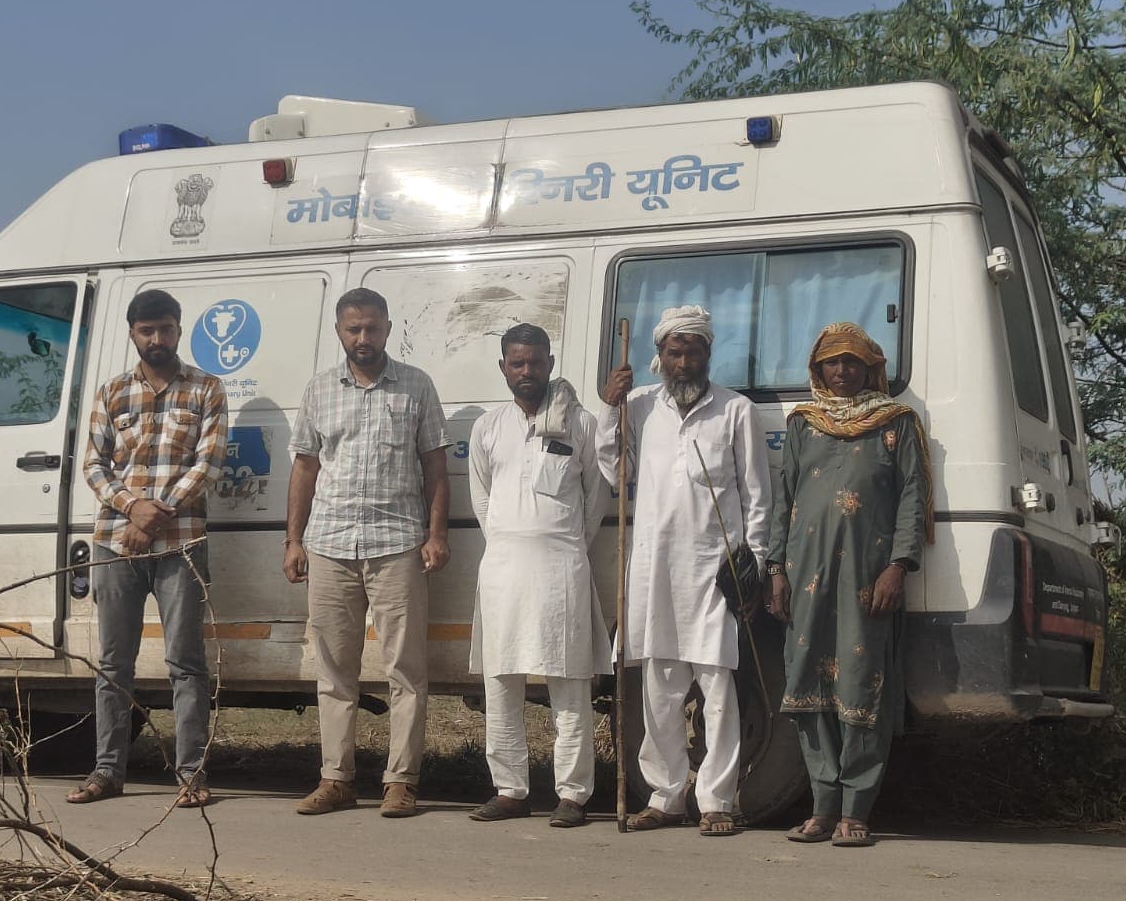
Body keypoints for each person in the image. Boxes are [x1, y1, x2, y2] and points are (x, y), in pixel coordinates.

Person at [597, 305, 771, 837]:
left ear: (708, 353)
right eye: (674, 351)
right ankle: (666, 795)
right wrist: (610, 410)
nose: (683, 360)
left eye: (693, 350)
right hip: (654, 569)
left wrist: (754, 563)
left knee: (718, 687)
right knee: (660, 687)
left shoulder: (736, 410)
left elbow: (758, 495)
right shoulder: (642, 407)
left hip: (714, 571)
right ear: (660, 356)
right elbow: (614, 470)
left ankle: (716, 799)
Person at [284, 287, 451, 819]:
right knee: (334, 670)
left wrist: (437, 533)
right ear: (339, 332)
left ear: (387, 327)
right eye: (354, 329)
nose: (363, 338)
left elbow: (435, 468)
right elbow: (305, 469)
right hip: (330, 545)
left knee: (405, 668)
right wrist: (293, 539)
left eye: (373, 328)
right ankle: (336, 778)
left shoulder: (416, 386)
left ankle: (400, 781)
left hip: (398, 543)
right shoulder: (317, 391)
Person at [765, 322, 932, 848]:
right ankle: (821, 807)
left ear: (870, 369)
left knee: (863, 686)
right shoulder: (803, 424)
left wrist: (898, 566)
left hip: (867, 577)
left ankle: (856, 811)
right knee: (807, 688)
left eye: (852, 363)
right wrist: (775, 568)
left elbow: (912, 495)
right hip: (805, 573)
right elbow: (784, 497)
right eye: (831, 363)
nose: (841, 372)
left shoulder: (896, 422)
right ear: (817, 370)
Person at [69, 288, 229, 809]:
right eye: (146, 330)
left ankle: (191, 774)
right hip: (115, 544)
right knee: (114, 663)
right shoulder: (112, 392)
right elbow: (93, 465)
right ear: (132, 334)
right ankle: (107, 772)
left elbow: (207, 466)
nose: (156, 339)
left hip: (180, 545)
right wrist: (130, 508)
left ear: (179, 329)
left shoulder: (207, 389)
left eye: (164, 328)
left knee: (186, 661)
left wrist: (151, 516)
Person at [467, 324, 610, 828]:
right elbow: (482, 497)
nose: (526, 372)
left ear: (551, 362)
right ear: (503, 367)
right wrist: (510, 540)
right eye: (516, 363)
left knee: (568, 682)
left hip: (562, 567)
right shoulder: (488, 426)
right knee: (500, 681)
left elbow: (596, 497)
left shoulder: (582, 423)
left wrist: (562, 542)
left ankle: (572, 794)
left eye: (535, 362)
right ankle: (510, 790)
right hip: (502, 569)